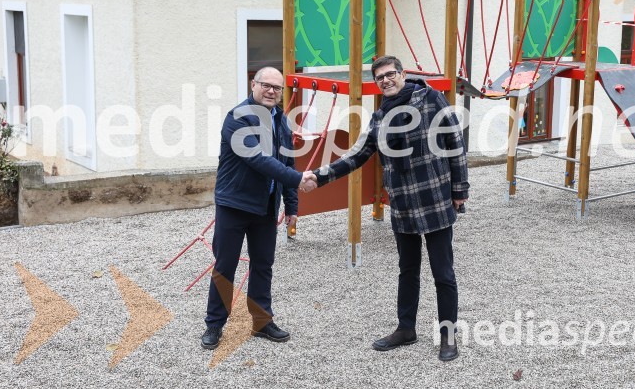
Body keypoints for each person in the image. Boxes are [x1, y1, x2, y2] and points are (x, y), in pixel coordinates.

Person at [313, 56, 469, 361]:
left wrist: (460, 190)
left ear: (403, 74)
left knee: (443, 273)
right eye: (380, 77)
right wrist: (318, 177)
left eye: (390, 74)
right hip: (402, 203)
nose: (386, 80)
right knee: (407, 270)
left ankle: (448, 336)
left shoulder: (431, 99)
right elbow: (358, 154)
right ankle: (406, 329)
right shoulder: (380, 115)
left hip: (434, 198)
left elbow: (454, 142)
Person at [201, 66, 317, 350]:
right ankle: (214, 325)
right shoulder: (237, 118)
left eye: (277, 88)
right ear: (253, 85)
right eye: (266, 85)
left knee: (263, 265)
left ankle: (262, 322)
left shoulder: (281, 120)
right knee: (225, 266)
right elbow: (259, 159)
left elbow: (287, 162)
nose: (271, 91)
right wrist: (300, 180)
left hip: (265, 206)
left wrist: (291, 203)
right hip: (234, 204)